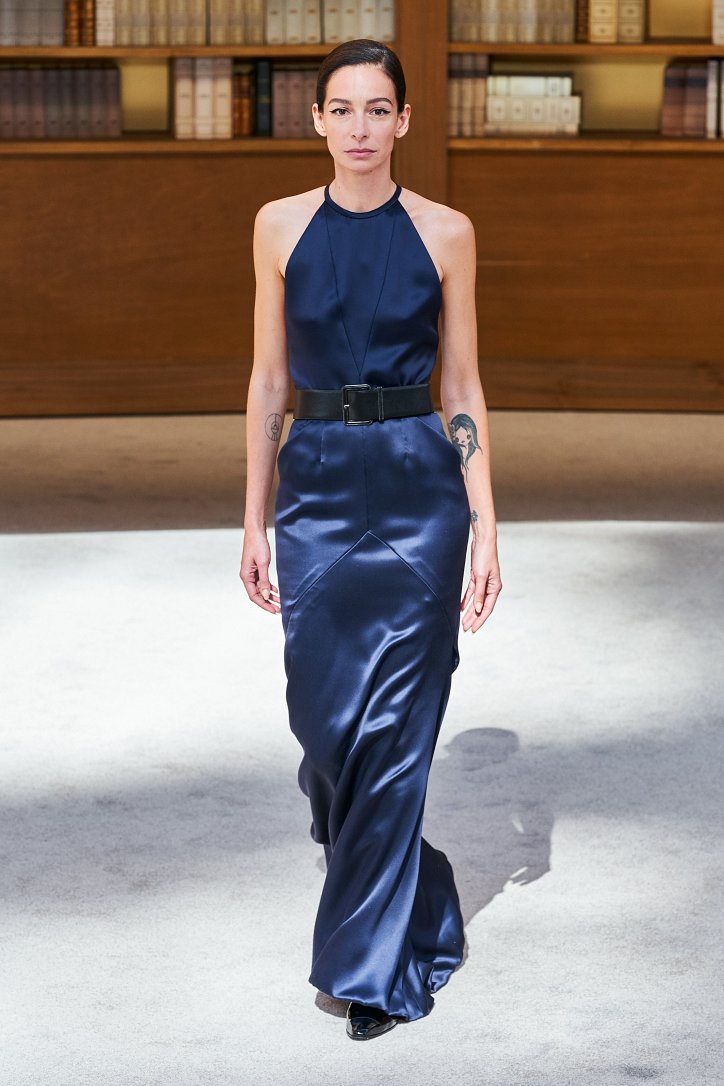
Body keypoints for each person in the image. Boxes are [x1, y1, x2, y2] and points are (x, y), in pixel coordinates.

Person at [239, 38, 502, 1041]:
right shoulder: (276, 226)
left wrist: (485, 518)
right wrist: (253, 513)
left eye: (377, 109)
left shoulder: (447, 232)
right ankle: (416, 890)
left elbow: (462, 384)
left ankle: (369, 969)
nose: (359, 127)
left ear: (403, 121)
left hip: (418, 492)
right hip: (313, 488)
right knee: (324, 732)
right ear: (316, 119)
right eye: (341, 109)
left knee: (395, 733)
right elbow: (268, 380)